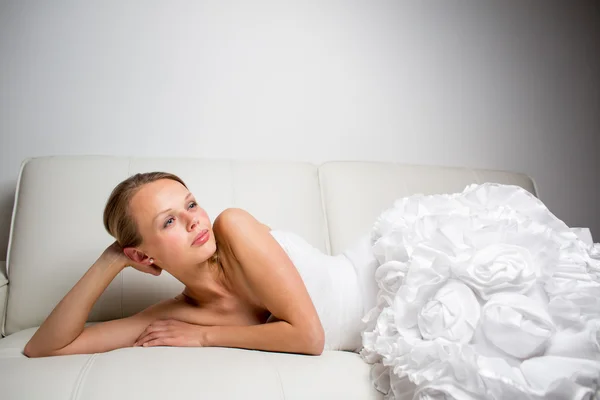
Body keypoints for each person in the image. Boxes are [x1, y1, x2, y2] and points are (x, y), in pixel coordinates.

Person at [23, 172, 371, 358]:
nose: (194, 221)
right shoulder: (175, 314)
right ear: (142, 256)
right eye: (169, 221)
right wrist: (110, 260)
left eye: (190, 204)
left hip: (379, 284)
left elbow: (309, 338)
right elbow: (45, 347)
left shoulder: (233, 226)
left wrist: (205, 337)